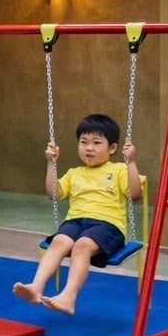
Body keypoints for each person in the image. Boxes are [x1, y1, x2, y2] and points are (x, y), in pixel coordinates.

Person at [13, 113, 142, 316]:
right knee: (59, 241)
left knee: (81, 246)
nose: (89, 148)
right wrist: (51, 163)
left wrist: (131, 162)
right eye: (83, 142)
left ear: (112, 148)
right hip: (76, 222)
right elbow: (53, 194)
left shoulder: (118, 170)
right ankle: (36, 287)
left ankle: (68, 297)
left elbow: (134, 195)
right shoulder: (74, 173)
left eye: (96, 143)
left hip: (107, 226)